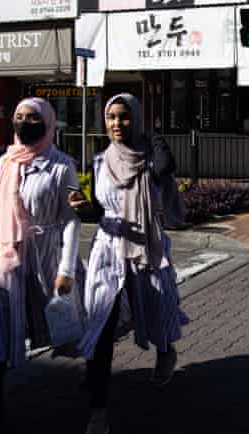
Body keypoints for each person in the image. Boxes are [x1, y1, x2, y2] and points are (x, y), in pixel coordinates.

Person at [0, 98, 81, 434]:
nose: (24, 123)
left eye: (33, 118)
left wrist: (66, 269)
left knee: (64, 332)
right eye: (19, 117)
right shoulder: (8, 161)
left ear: (49, 123)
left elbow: (71, 220)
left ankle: (96, 389)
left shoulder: (63, 166)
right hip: (3, 263)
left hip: (42, 260)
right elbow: (0, 209)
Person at [75, 94, 188, 434]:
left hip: (147, 249)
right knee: (100, 323)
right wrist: (82, 207)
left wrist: (152, 136)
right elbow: (98, 209)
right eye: (110, 117)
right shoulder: (99, 161)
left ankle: (165, 350)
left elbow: (167, 168)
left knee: (158, 308)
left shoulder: (151, 160)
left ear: (135, 119)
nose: (116, 124)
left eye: (124, 117)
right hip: (107, 251)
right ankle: (98, 410)